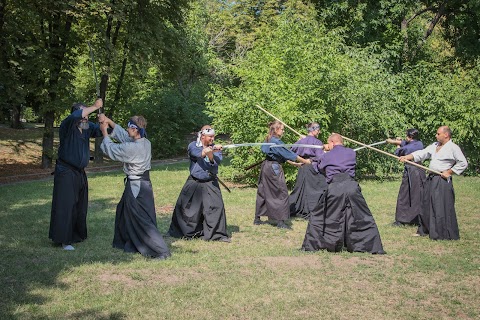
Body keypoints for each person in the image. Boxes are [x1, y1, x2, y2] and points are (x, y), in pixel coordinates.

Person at [100, 115, 171, 259]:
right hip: (143, 184)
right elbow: (125, 138)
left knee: (142, 220)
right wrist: (109, 121)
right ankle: (128, 242)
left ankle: (161, 251)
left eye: (129, 127)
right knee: (123, 211)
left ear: (135, 129)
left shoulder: (133, 148)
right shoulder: (145, 142)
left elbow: (111, 149)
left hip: (137, 186)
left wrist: (104, 132)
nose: (126, 130)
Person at [302, 133, 385, 254]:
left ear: (331, 143)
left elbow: (319, 167)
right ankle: (368, 245)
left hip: (335, 187)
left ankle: (326, 244)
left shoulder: (327, 156)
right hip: (352, 187)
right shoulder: (352, 152)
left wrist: (323, 152)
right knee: (360, 216)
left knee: (322, 216)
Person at [49, 98, 104, 251]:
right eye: (84, 115)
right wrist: (94, 106)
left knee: (80, 205)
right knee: (65, 206)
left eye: (87, 116)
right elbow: (74, 117)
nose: (86, 118)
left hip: (79, 173)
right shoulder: (68, 124)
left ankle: (77, 235)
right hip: (65, 171)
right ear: (78, 114)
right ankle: (64, 240)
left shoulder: (86, 127)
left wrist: (103, 121)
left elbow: (101, 131)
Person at [399, 126, 468, 240]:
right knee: (425, 203)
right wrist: (407, 157)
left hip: (442, 180)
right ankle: (424, 229)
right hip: (431, 178)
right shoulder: (435, 146)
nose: (436, 136)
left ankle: (440, 232)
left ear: (446, 135)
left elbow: (463, 163)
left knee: (439, 205)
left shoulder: (453, 148)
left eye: (438, 134)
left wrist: (449, 172)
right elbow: (422, 153)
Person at [168, 125, 230, 242]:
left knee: (216, 207)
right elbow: (196, 154)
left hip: (210, 181)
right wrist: (206, 151)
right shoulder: (193, 145)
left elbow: (215, 164)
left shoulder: (216, 149)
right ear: (202, 136)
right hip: (194, 181)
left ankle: (217, 234)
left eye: (213, 136)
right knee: (187, 208)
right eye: (210, 137)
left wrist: (211, 153)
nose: (212, 139)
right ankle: (186, 232)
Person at [254, 120, 311, 229]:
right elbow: (289, 154)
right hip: (273, 168)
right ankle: (280, 221)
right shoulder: (275, 142)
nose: (284, 131)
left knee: (263, 190)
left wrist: (295, 164)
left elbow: (282, 154)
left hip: (266, 167)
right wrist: (305, 161)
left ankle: (257, 218)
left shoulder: (268, 139)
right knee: (281, 192)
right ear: (276, 130)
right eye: (282, 129)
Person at [386, 129, 425, 226]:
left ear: (410, 137)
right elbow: (405, 142)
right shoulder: (419, 143)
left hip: (412, 171)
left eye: (406, 136)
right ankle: (415, 219)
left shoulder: (408, 148)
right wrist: (393, 141)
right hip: (420, 171)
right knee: (417, 194)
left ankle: (405, 220)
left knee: (407, 194)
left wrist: (397, 145)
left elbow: (398, 153)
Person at [289, 122, 327, 219]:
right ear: (313, 131)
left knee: (303, 188)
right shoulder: (317, 142)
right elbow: (320, 157)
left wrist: (299, 141)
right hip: (312, 168)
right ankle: (313, 210)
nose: (319, 132)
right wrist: (324, 153)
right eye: (318, 130)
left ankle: (302, 209)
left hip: (302, 167)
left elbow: (290, 151)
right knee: (316, 189)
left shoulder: (301, 141)